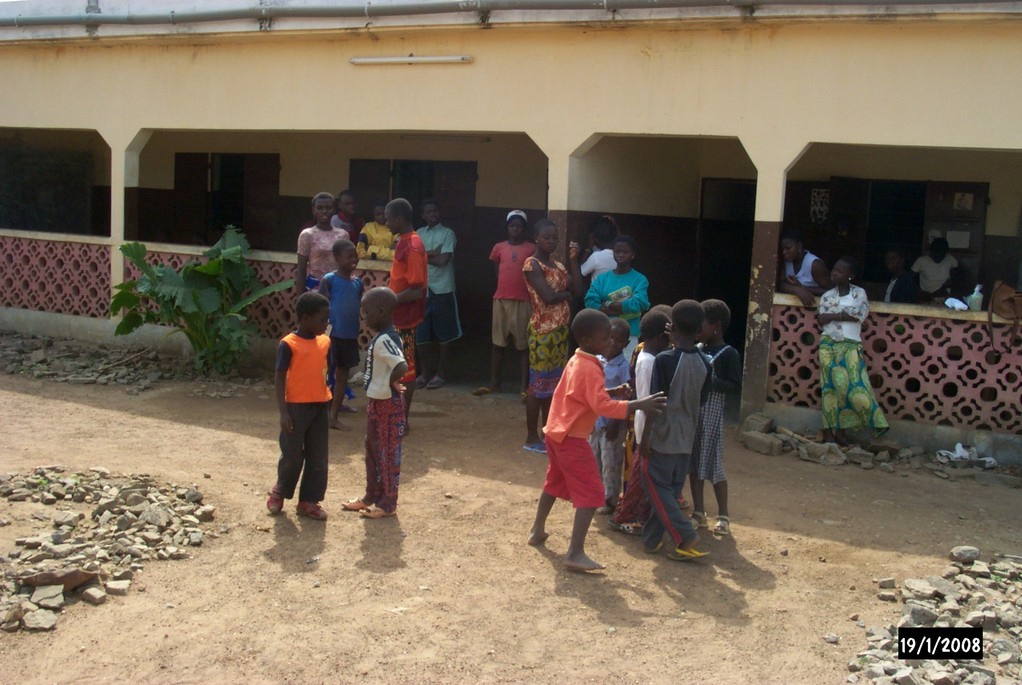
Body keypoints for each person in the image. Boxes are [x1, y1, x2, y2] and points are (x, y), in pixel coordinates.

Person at [527, 309, 666, 572]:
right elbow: (602, 407)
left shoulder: (577, 360)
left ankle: (537, 530)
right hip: (573, 439)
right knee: (592, 494)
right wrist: (639, 404)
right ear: (588, 340)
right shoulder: (590, 367)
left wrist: (612, 391)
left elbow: (580, 395)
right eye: (606, 339)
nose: (610, 343)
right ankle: (575, 552)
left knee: (553, 482)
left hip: (556, 433)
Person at [639, 300, 712, 562]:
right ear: (700, 328)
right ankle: (651, 540)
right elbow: (701, 400)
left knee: (656, 487)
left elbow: (655, 405)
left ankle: (684, 535)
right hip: (686, 437)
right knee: (668, 490)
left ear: (672, 327)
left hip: (662, 436)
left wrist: (645, 438)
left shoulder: (663, 360)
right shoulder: (706, 362)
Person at [342, 288, 408, 519]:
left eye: (367, 312)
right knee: (372, 449)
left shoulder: (385, 339)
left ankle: (388, 503)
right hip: (377, 403)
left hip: (388, 406)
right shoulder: (385, 336)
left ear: (381, 311)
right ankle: (372, 495)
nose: (364, 317)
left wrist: (391, 383)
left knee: (388, 454)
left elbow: (401, 365)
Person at [266, 291, 332, 521]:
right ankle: (280, 490)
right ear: (305, 318)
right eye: (322, 319)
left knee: (318, 456)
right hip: (295, 408)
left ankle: (309, 500)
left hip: (319, 406)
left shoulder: (325, 342)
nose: (326, 323)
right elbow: (279, 377)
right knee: (292, 455)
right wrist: (283, 412)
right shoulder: (288, 344)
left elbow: (325, 371)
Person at [610, 306, 672, 536]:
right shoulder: (647, 361)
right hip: (646, 428)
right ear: (659, 337)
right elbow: (647, 402)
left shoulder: (651, 356)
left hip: (647, 428)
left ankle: (633, 514)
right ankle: (624, 516)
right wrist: (646, 436)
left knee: (641, 476)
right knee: (638, 478)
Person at [523, 219, 583, 453]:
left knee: (552, 385)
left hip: (559, 332)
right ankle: (530, 436)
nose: (552, 241)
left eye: (555, 237)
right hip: (542, 332)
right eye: (547, 237)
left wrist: (575, 261)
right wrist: (565, 293)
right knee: (537, 385)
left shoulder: (558, 264)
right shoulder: (532, 264)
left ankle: (547, 431)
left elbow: (578, 291)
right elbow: (547, 297)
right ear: (536, 238)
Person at [817, 256, 889, 445]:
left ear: (851, 275)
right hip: (829, 344)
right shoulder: (827, 296)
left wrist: (834, 315)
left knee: (852, 388)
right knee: (829, 389)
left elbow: (859, 314)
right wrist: (841, 316)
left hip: (851, 346)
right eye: (835, 268)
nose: (835, 272)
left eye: (840, 270)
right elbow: (822, 320)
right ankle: (829, 433)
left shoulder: (859, 294)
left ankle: (870, 422)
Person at [690, 299, 741, 537]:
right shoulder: (697, 348)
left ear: (716, 326)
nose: (698, 330)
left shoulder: (728, 353)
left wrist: (711, 381)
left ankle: (723, 514)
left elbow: (734, 385)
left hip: (711, 414)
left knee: (714, 464)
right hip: (694, 413)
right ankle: (698, 512)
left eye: (702, 324)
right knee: (694, 463)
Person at [474, 210, 536, 399]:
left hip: (523, 300)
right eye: (512, 226)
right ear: (507, 228)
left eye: (519, 226)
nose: (515, 229)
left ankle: (524, 387)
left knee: (523, 346)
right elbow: (497, 270)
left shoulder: (531, 249)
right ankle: (495, 383)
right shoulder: (499, 247)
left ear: (524, 229)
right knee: (498, 344)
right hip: (501, 299)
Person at [386, 198, 428, 427]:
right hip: (398, 316)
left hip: (405, 318)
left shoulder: (412, 246)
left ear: (400, 219)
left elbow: (415, 289)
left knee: (406, 369)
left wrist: (390, 300)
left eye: (389, 218)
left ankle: (403, 419)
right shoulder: (405, 242)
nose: (386, 223)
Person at [415, 198, 461, 390]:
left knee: (445, 335)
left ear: (439, 213)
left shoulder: (448, 233)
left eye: (435, 211)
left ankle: (440, 374)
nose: (432, 214)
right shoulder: (418, 234)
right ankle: (425, 373)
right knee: (422, 335)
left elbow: (443, 260)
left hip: (443, 289)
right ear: (423, 215)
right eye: (428, 211)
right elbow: (413, 258)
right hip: (422, 290)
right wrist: (432, 253)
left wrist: (424, 255)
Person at [319, 239, 363, 431]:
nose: (354, 259)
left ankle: (333, 416)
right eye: (349, 256)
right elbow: (320, 308)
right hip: (331, 335)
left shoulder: (358, 283)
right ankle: (318, 412)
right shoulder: (329, 280)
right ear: (337, 258)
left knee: (342, 376)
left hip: (349, 336)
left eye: (355, 255)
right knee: (324, 373)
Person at [590, 317, 632, 514]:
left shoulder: (623, 367)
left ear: (626, 343)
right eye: (609, 338)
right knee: (593, 459)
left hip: (612, 424)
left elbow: (625, 395)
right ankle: (595, 494)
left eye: (618, 340)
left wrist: (616, 421)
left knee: (611, 462)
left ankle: (610, 499)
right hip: (595, 422)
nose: (613, 344)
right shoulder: (597, 361)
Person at [584, 234, 649, 360]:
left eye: (625, 252)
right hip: (604, 334)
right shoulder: (602, 279)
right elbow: (590, 301)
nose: (621, 255)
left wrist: (607, 305)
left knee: (625, 374)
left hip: (629, 337)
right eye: (617, 251)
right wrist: (623, 307)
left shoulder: (640, 280)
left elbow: (638, 303)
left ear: (633, 254)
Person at [295, 192, 349, 294]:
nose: (324, 211)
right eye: (320, 208)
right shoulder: (307, 235)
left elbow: (346, 266)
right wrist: (300, 300)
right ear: (313, 211)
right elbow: (301, 270)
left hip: (337, 289)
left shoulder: (343, 235)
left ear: (334, 210)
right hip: (315, 289)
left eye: (328, 208)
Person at [778, 230, 831, 307]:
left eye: (788, 248)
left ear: (799, 246)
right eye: (782, 249)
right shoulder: (786, 262)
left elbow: (831, 292)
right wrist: (796, 290)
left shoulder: (815, 265)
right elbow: (779, 285)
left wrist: (803, 288)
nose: (784, 252)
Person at [912, 237, 958, 303]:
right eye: (936, 253)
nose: (939, 257)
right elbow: (911, 278)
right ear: (931, 251)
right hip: (925, 296)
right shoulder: (921, 261)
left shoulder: (950, 259)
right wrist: (919, 291)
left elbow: (955, 277)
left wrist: (947, 285)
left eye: (942, 254)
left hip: (943, 296)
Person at [580, 215, 619, 280]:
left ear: (595, 239)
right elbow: (620, 240)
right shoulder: (621, 256)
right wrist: (616, 225)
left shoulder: (596, 257)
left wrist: (589, 247)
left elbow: (581, 272)